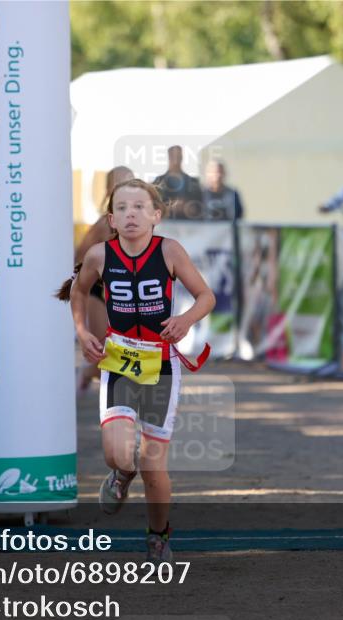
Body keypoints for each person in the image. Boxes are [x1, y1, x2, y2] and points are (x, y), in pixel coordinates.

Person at [60, 178, 215, 563]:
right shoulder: (99, 255)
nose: (132, 214)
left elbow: (206, 296)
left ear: (156, 215)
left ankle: (158, 534)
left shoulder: (170, 252)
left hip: (160, 363)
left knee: (152, 463)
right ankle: (120, 476)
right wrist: (82, 332)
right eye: (123, 208)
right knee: (117, 454)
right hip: (119, 360)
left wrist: (185, 320)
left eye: (140, 207)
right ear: (111, 218)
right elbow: (78, 292)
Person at [71, 166, 135, 392]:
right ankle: (90, 373)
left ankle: (91, 374)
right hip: (100, 292)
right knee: (102, 351)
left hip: (128, 294)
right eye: (120, 183)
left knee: (126, 351)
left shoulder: (141, 220)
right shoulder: (102, 224)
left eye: (130, 182)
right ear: (109, 189)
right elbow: (79, 256)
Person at [152, 145, 203, 220]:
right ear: (169, 157)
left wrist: (189, 208)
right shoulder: (158, 182)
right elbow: (152, 207)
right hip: (164, 226)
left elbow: (200, 208)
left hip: (190, 227)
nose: (176, 160)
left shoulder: (193, 182)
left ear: (182, 157)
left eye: (178, 156)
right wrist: (169, 208)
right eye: (173, 156)